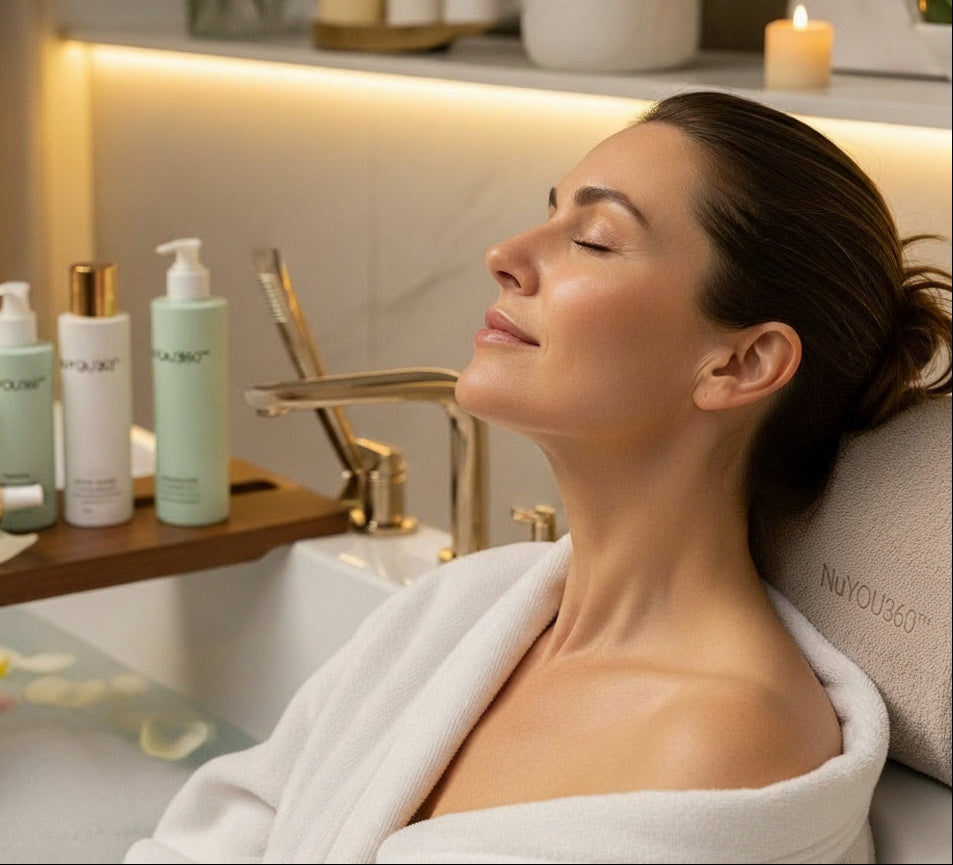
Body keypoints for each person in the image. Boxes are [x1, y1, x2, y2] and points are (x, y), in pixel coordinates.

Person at [125, 91, 952, 864]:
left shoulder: (726, 736)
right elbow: (224, 828)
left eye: (592, 238)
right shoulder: (462, 611)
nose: (507, 255)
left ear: (740, 362)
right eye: (548, 211)